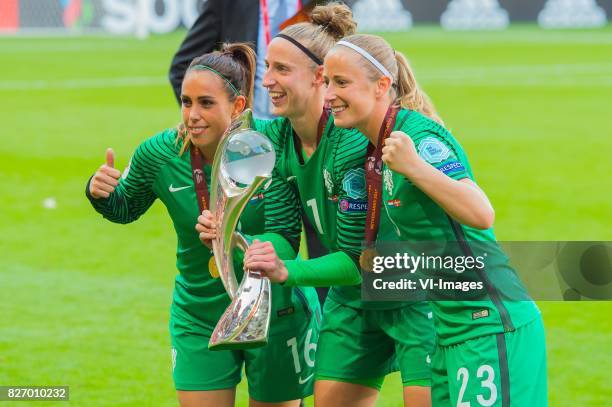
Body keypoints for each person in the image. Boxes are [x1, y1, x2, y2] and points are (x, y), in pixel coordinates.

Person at [87, 43, 320, 407]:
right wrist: (99, 192)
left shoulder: (270, 144)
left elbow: (286, 238)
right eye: (186, 101)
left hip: (274, 309)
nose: (192, 115)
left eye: (206, 103)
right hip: (199, 313)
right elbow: (124, 207)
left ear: (238, 106)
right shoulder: (161, 153)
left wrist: (233, 239)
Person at [226, 3, 435, 406]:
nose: (266, 81)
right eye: (268, 67)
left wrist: (286, 270)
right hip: (353, 303)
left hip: (409, 295)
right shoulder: (283, 140)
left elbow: (357, 260)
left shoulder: (351, 142)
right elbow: (284, 231)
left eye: (282, 70)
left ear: (320, 77)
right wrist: (262, 249)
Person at [322, 33, 548, 406]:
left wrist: (414, 167)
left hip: (489, 323)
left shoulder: (417, 137)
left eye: (341, 82)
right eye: (327, 81)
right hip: (449, 329)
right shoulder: (378, 146)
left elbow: (480, 212)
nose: (329, 94)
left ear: (381, 86)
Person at [168, 0, 326, 118]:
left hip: (306, 133)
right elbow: (182, 66)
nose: (268, 80)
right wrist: (209, 116)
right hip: (248, 140)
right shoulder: (227, 4)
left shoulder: (322, 3)